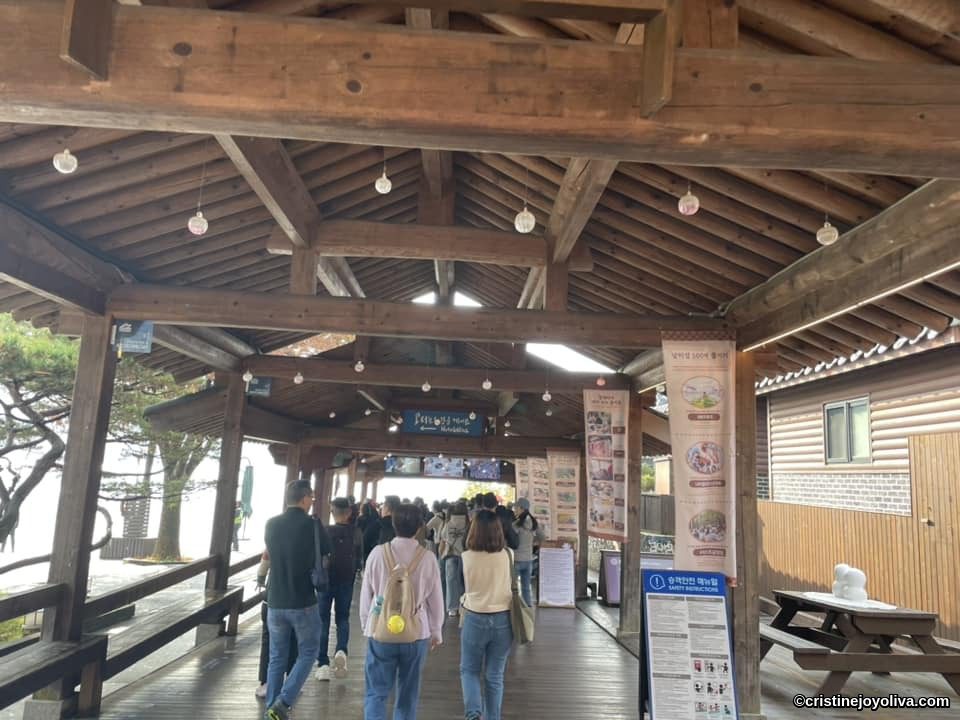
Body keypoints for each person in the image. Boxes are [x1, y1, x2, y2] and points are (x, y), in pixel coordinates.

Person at [360, 503, 444, 720]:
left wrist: (366, 624)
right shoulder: (427, 558)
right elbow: (436, 599)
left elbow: (365, 595)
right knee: (408, 694)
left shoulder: (377, 554)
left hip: (380, 630)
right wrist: (436, 631)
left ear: (393, 523)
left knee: (376, 692)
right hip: (416, 633)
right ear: (419, 527)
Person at [262, 480, 327, 720]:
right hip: (303, 601)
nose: (312, 502)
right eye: (311, 498)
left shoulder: (271, 524)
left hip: (275, 600)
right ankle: (284, 701)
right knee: (309, 652)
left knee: (277, 657)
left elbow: (270, 554)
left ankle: (271, 706)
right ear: (304, 498)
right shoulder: (312, 525)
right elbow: (325, 553)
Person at [460, 510, 514, 720]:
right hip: (503, 619)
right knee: (495, 675)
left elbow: (463, 586)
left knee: (469, 670)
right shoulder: (508, 555)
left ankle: (474, 714)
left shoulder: (466, 557)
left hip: (474, 617)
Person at [316, 497, 362, 681]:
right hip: (346, 580)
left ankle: (323, 663)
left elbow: (317, 557)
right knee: (343, 618)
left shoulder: (325, 531)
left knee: (323, 620)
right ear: (349, 512)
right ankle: (341, 650)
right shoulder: (356, 532)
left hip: (326, 581)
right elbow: (359, 558)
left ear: (332, 512)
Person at [255, 550, 298, 700]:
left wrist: (260, 579)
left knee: (268, 641)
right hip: (295, 600)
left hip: (272, 598)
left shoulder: (273, 537)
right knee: (293, 640)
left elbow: (264, 564)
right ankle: (291, 680)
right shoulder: (303, 541)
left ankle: (266, 682)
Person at [513, 498, 543, 606]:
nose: (515, 510)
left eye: (516, 508)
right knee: (526, 588)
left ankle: (515, 610)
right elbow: (542, 537)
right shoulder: (534, 523)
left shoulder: (516, 524)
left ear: (521, 508)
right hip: (528, 560)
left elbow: (511, 540)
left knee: (513, 588)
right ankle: (528, 610)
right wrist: (532, 543)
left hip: (516, 559)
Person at [441, 500, 469, 617]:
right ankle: (464, 604)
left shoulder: (448, 523)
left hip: (451, 554)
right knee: (464, 581)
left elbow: (443, 536)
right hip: (466, 555)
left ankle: (452, 608)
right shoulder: (468, 523)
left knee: (451, 581)